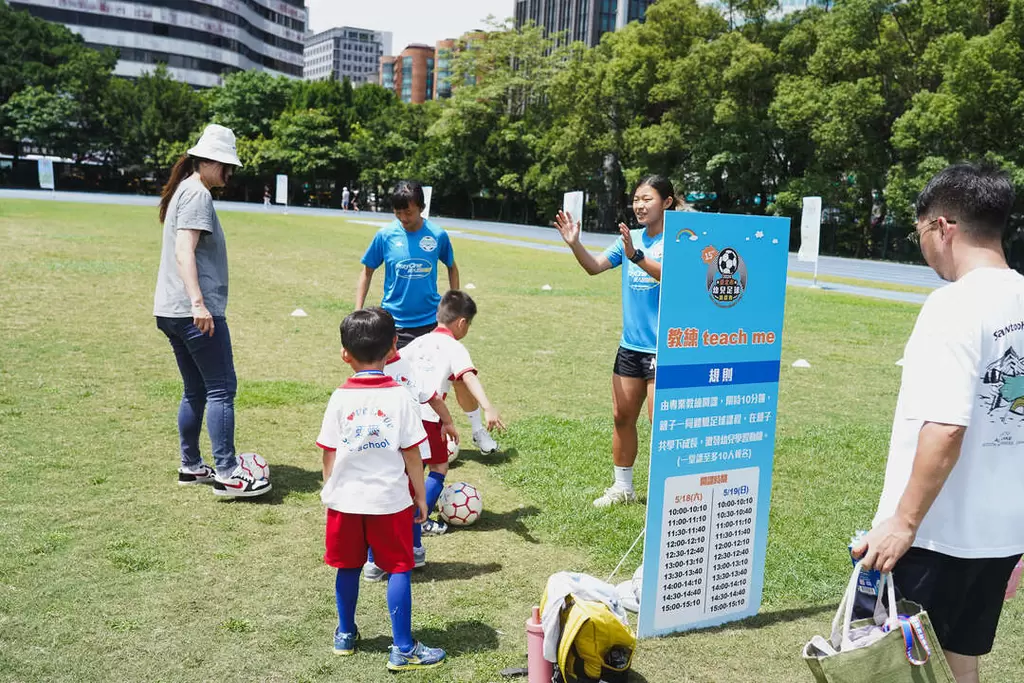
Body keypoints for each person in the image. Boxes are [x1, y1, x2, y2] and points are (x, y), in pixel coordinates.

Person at [852, 163, 1024, 683]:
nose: (921, 245)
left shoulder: (953, 306)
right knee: (961, 661)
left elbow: (946, 427)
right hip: (999, 537)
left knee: (899, 665)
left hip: (935, 538)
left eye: (920, 230)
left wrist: (903, 523)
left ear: (943, 227)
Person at [316, 307, 446, 671]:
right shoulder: (401, 397)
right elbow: (412, 454)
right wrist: (421, 496)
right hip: (389, 501)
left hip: (344, 501)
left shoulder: (339, 396)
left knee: (348, 566)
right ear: (394, 347)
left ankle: (345, 634)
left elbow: (328, 449)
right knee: (399, 567)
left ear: (345, 353)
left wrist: (331, 489)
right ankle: (402, 647)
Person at [153, 124, 270, 498]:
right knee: (222, 388)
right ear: (205, 161)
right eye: (224, 166)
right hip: (193, 312)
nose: (229, 174)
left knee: (196, 390)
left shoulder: (185, 191)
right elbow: (184, 251)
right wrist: (199, 304)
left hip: (172, 311)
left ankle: (191, 466)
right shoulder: (197, 194)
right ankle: (227, 471)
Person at [553, 175, 675, 507]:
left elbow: (674, 276)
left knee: (661, 423)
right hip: (631, 347)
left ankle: (673, 493)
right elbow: (594, 267)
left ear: (667, 202)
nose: (640, 205)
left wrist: (636, 256)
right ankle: (623, 487)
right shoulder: (628, 238)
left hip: (665, 349)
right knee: (622, 416)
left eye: (647, 199)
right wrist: (574, 243)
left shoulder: (678, 239)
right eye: (636, 199)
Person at [399, 290, 505, 538]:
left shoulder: (419, 342)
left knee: (409, 468)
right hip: (429, 416)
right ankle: (419, 521)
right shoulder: (454, 347)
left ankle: (403, 514)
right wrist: (487, 406)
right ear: (462, 323)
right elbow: (467, 376)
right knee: (439, 465)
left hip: (403, 414)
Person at [361, 344, 460, 580]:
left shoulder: (369, 372)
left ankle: (376, 560)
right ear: (394, 339)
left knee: (383, 501)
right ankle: (413, 549)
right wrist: (447, 421)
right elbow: (433, 398)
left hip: (385, 449)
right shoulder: (409, 367)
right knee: (414, 498)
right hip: (410, 444)